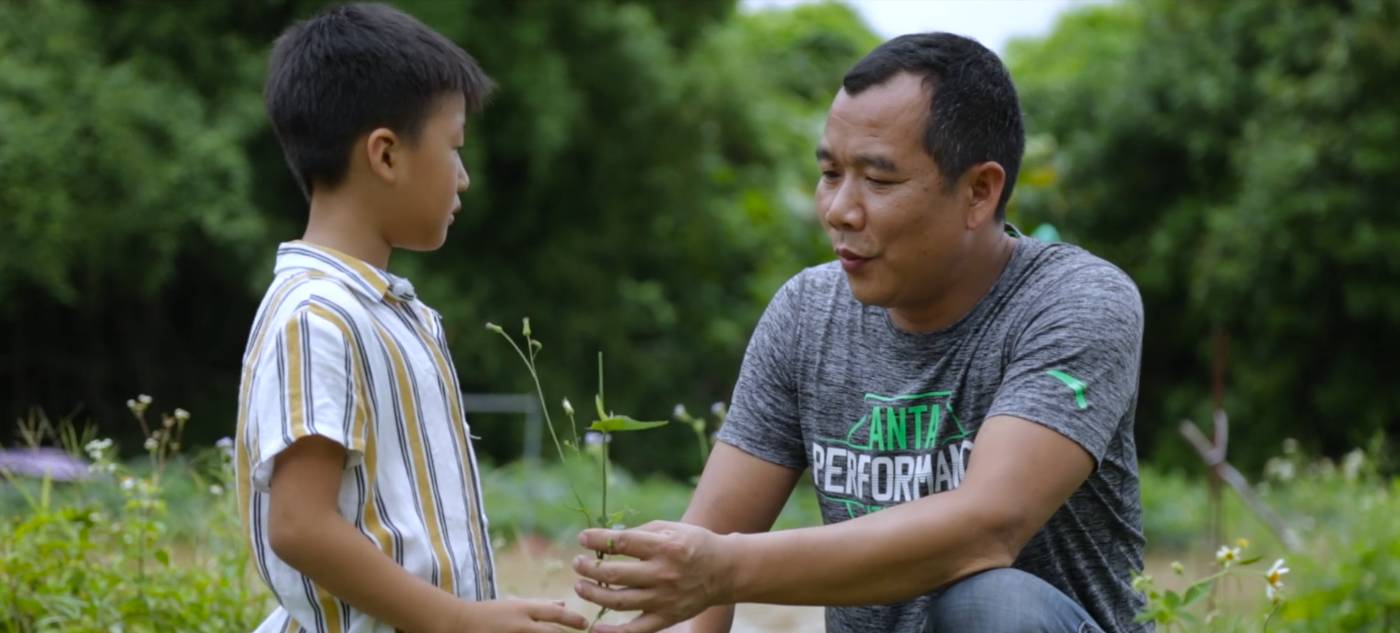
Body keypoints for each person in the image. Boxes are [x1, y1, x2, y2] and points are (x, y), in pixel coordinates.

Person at [572, 32, 1146, 633]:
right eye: (829, 173)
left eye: (878, 180)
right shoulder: (808, 312)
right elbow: (706, 551)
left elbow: (987, 527)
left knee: (990, 603)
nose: (839, 209)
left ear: (979, 191)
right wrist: (686, 585)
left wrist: (725, 567)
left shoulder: (1075, 302)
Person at [233, 4, 587, 632]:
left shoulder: (398, 314)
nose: (465, 178)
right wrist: (456, 620)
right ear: (386, 156)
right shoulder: (318, 316)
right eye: (454, 149)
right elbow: (299, 524)